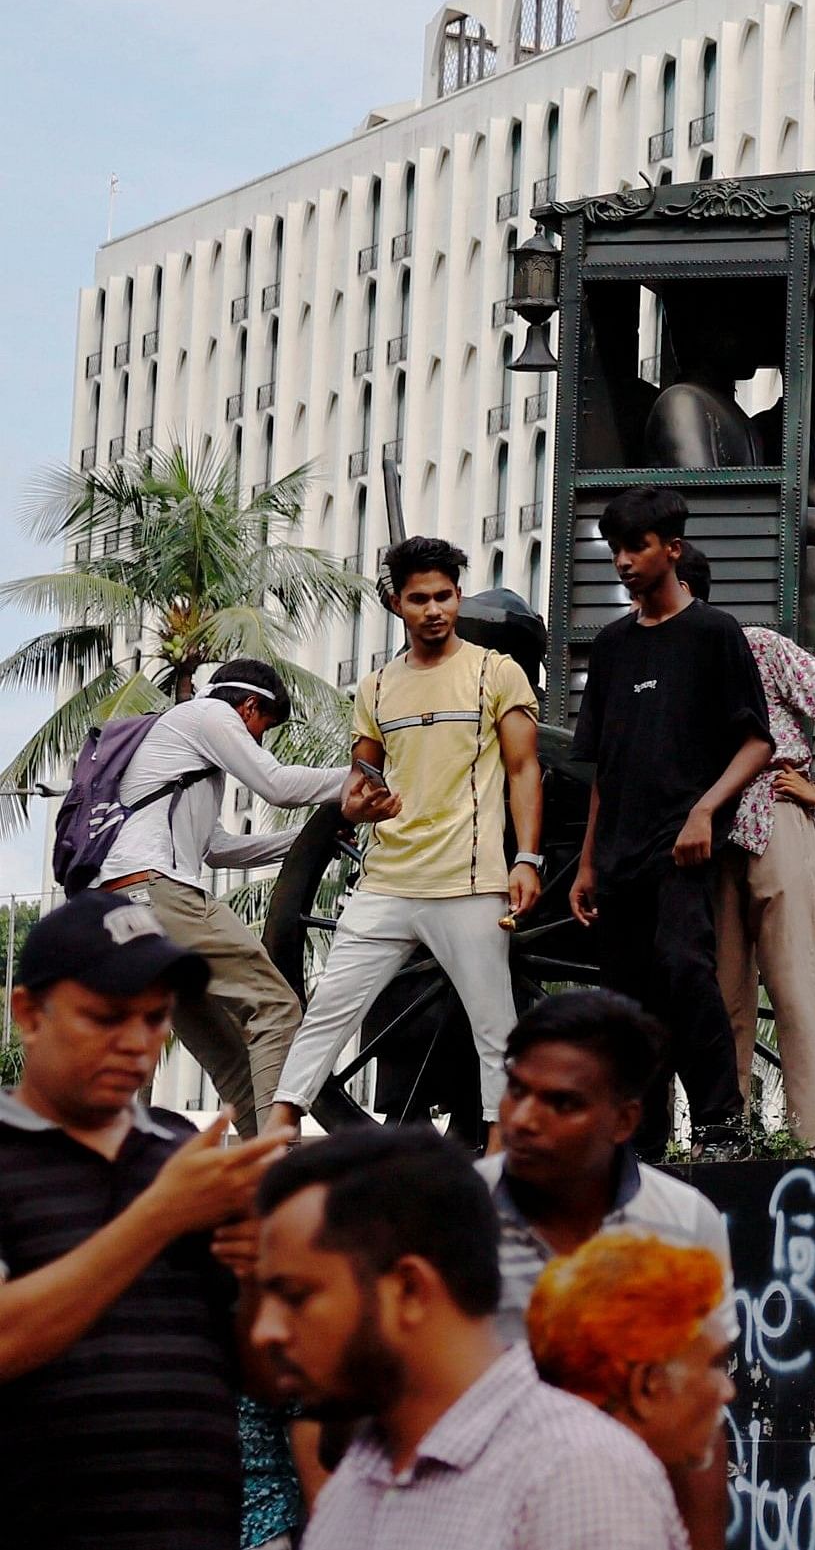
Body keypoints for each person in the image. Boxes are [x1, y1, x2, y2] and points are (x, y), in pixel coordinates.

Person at [0, 897, 293, 1550]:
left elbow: (265, 1381)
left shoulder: (180, 1155)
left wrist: (252, 1275)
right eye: (105, 1017)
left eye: (155, 1018)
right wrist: (158, 1215)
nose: (137, 1043)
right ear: (28, 1014)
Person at [250, 1126, 685, 1550]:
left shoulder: (576, 1479)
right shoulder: (359, 1479)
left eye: (295, 1296)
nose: (265, 1330)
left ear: (408, 1290)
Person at [273, 536, 543, 1137]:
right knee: (327, 1013)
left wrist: (527, 858)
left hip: (469, 883)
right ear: (398, 603)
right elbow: (356, 787)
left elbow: (525, 770)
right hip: (387, 883)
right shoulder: (375, 689)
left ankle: (499, 1156)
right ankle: (277, 1129)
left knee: (495, 1028)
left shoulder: (495, 673)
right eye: (419, 599)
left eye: (444, 596)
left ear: (458, 596)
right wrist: (364, 805)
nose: (434, 610)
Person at [476, 989, 734, 1548]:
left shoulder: (686, 1225)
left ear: (624, 1120)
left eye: (561, 1103)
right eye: (516, 1090)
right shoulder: (454, 1214)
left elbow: (700, 1415)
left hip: (622, 1518)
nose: (523, 1120)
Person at [93, 657, 395, 1117]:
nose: (256, 741)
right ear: (250, 706)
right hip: (159, 892)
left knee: (231, 1054)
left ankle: (260, 1174)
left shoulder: (182, 749)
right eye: (262, 729)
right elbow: (275, 784)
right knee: (277, 1007)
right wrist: (360, 777)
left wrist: (308, 838)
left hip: (124, 909)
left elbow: (217, 849)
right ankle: (280, 1157)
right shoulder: (209, 715)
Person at [570, 484, 772, 1150]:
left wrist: (704, 812)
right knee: (626, 1005)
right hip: (618, 857)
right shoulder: (611, 646)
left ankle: (720, 1124)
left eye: (637, 546)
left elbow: (757, 743)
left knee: (685, 971)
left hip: (682, 853)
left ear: (672, 549)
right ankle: (641, 1139)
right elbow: (604, 765)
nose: (624, 560)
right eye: (616, 549)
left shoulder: (714, 633)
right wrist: (588, 861)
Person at [673, 545, 815, 1150]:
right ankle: (725, 1136)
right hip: (711, 833)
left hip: (776, 811)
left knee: (796, 986)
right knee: (723, 994)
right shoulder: (671, 659)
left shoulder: (755, 643)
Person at [523, 1231, 736, 1480]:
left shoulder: (544, 1459)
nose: (728, 1391)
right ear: (647, 1385)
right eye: (715, 1365)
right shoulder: (609, 1488)